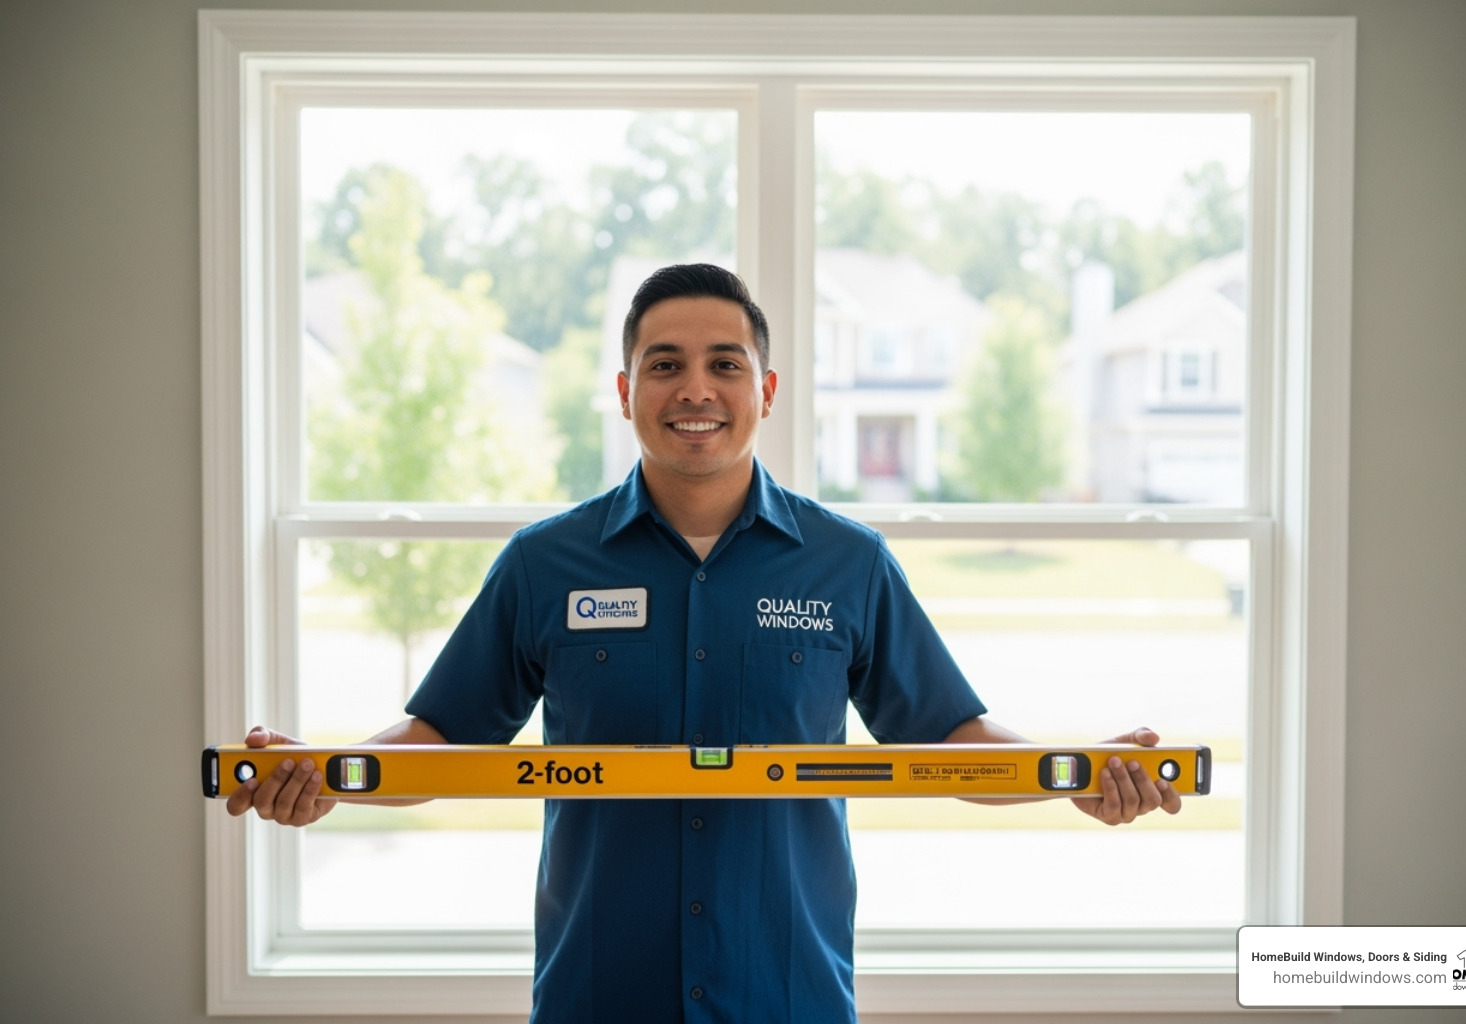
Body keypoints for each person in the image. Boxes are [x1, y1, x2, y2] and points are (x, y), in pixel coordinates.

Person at [228, 264, 1181, 1023]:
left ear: (766, 389)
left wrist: (1076, 773)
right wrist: (328, 775)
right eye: (665, 364)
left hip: (788, 996)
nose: (696, 389)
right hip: (599, 994)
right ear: (624, 390)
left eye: (726, 364)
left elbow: (947, 741)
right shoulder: (543, 566)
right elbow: (444, 741)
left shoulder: (849, 565)